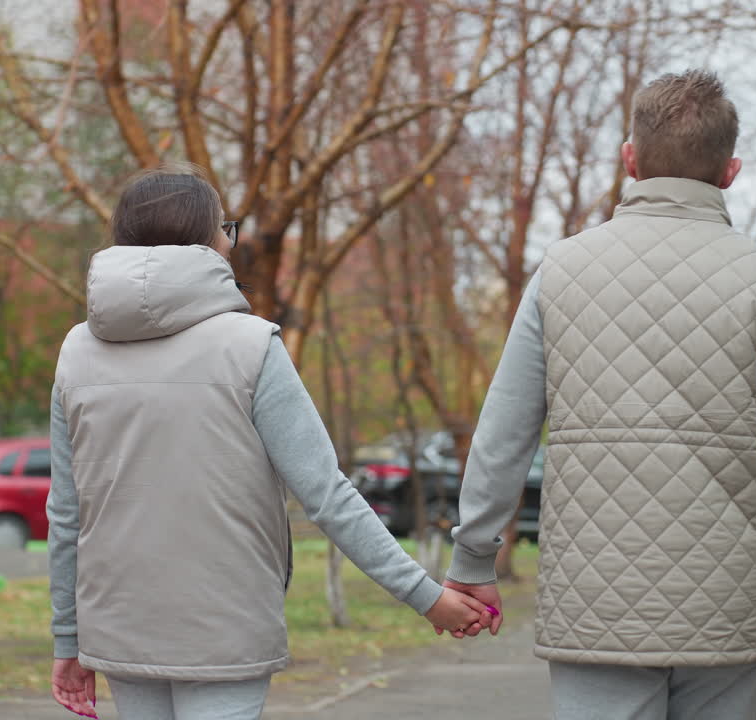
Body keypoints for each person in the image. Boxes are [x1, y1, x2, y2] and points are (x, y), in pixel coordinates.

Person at [442, 70, 756, 720]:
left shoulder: (561, 273)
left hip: (596, 601)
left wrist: (473, 559)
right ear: (731, 170)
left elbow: (504, 434)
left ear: (630, 160)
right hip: (728, 606)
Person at [47, 166, 491, 720]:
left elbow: (66, 513)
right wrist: (428, 598)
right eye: (226, 229)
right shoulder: (251, 346)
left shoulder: (76, 351)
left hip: (118, 625)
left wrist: (68, 639)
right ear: (211, 242)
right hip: (225, 625)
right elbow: (326, 494)